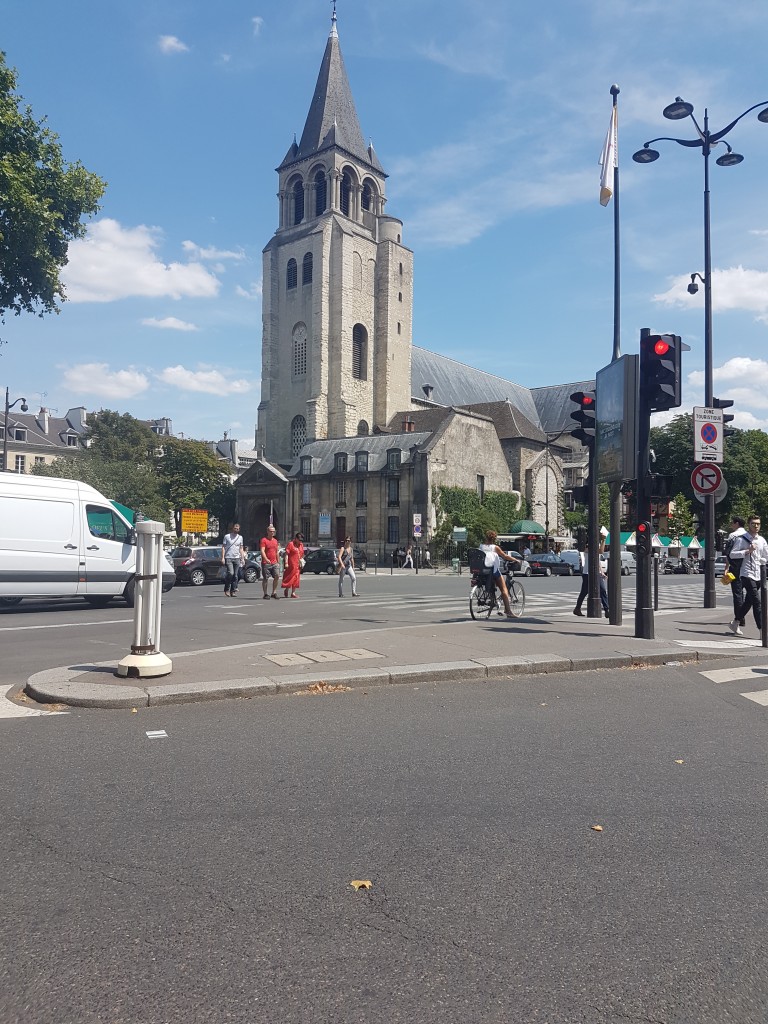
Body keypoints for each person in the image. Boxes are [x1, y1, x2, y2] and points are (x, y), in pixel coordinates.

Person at [729, 515, 768, 636]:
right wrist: (747, 551)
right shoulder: (742, 539)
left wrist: (763, 561)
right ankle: (762, 631)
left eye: (758, 524)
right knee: (757, 602)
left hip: (758, 575)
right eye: (753, 524)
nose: (756, 526)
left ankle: (735, 622)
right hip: (746, 573)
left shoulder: (761, 540)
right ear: (748, 525)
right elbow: (732, 555)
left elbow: (766, 556)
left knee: (748, 602)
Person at [479, 530, 520, 618]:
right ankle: (508, 611)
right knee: (504, 589)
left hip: (483, 570)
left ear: (486, 537)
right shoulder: (495, 547)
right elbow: (505, 556)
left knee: (494, 583)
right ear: (494, 539)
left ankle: (493, 598)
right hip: (492, 570)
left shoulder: (481, 546)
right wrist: (515, 560)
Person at [573, 538, 609, 616]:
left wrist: (601, 572)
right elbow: (600, 551)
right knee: (584, 591)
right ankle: (577, 608)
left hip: (596, 572)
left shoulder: (597, 545)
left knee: (602, 590)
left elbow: (597, 559)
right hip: (587, 572)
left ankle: (607, 610)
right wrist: (603, 540)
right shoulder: (587, 548)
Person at [724, 516, 748, 627]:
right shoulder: (748, 535)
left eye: (732, 523)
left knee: (737, 594)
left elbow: (729, 554)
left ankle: (739, 618)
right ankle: (741, 616)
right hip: (747, 567)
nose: (731, 525)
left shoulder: (733, 536)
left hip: (735, 568)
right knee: (747, 593)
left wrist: (726, 567)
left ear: (737, 523)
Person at [221, 522, 244, 598]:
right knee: (230, 573)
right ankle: (226, 588)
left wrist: (242, 558)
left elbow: (241, 548)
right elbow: (223, 547)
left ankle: (233, 591)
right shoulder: (227, 536)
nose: (236, 530)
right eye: (235, 528)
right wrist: (223, 557)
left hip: (237, 558)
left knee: (235, 575)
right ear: (232, 528)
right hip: (228, 557)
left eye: (238, 529)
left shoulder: (240, 537)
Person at [260, 524, 281, 600]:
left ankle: (274, 592)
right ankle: (265, 594)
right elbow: (262, 550)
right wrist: (265, 559)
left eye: (273, 531)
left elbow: (277, 552)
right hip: (266, 563)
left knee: (277, 576)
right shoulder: (264, 540)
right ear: (267, 531)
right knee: (265, 578)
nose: (272, 533)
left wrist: (278, 562)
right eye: (271, 531)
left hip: (274, 562)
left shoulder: (275, 541)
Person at [282, 532, 305, 598]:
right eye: (299, 540)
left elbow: (302, 553)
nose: (300, 541)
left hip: (298, 565)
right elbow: (286, 554)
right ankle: (286, 589)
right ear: (296, 538)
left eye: (301, 540)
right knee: (290, 578)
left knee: (296, 578)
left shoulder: (301, 545)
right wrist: (286, 563)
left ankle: (293, 593)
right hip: (291, 565)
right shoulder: (290, 544)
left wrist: (302, 560)